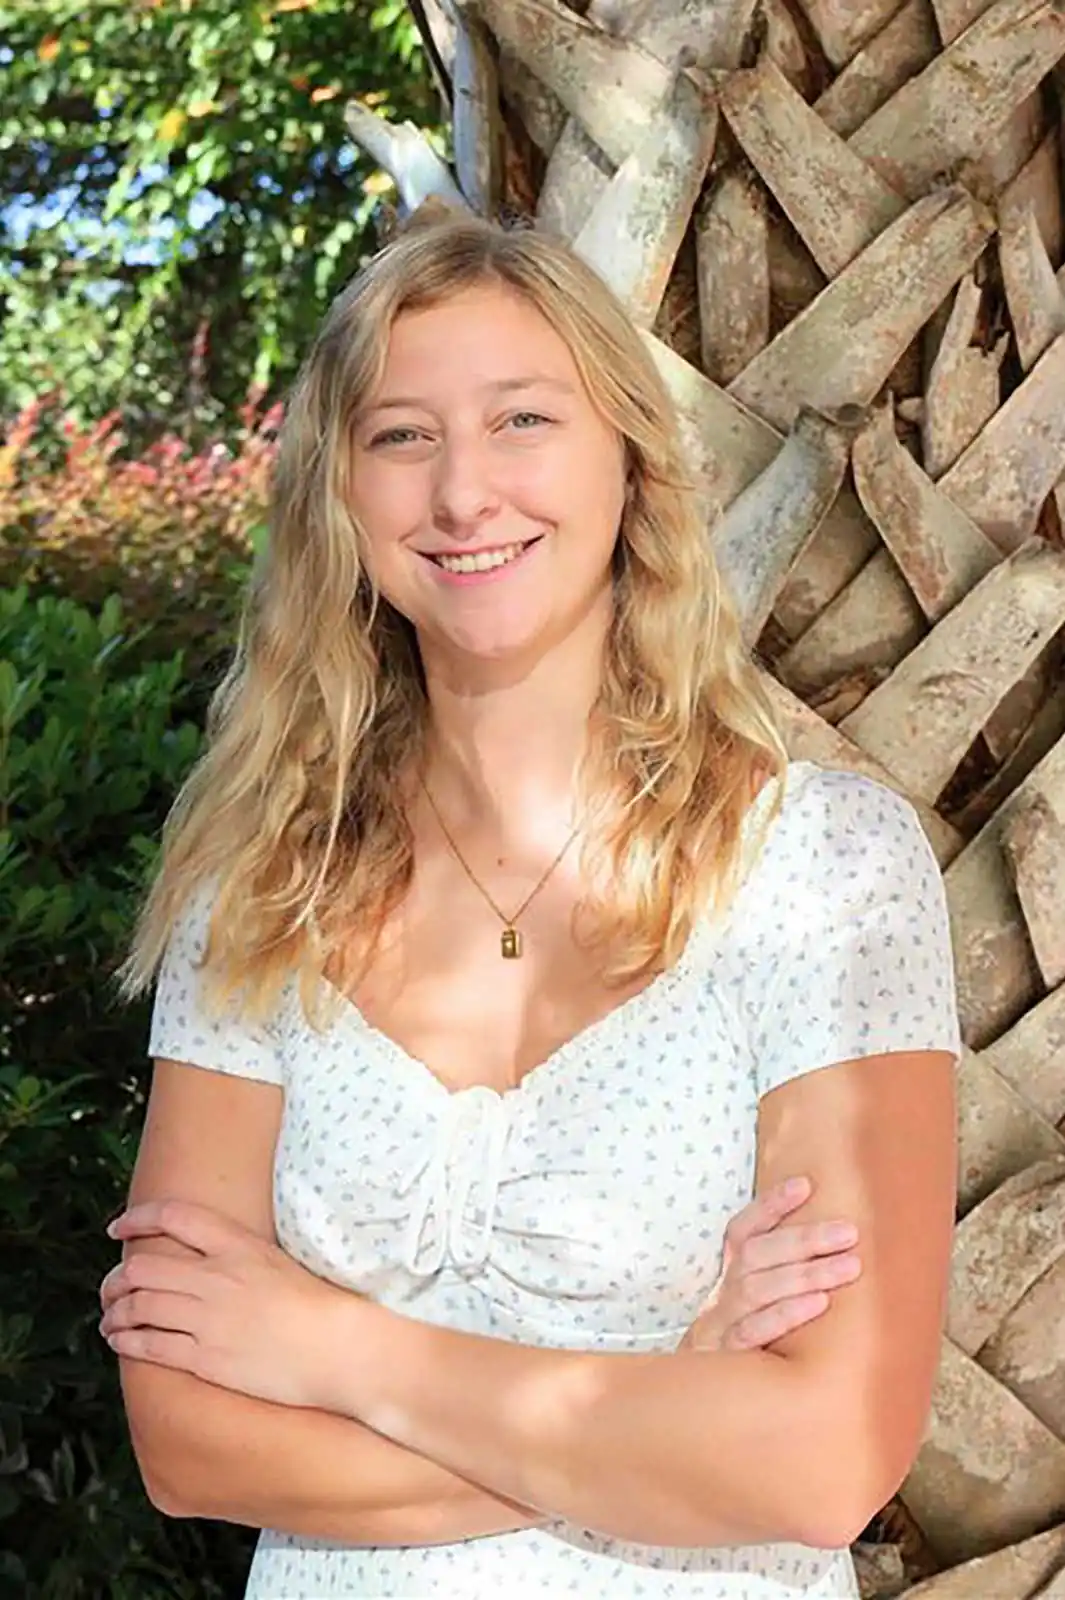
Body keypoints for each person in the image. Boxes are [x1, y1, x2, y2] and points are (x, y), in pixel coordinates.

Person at [102, 210, 961, 1599]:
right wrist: (674, 1399)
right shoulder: (258, 890)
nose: (462, 494)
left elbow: (823, 1461)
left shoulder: (821, 871)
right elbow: (188, 1446)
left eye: (522, 420)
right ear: (340, 498)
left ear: (629, 459)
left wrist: (334, 1353)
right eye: (401, 436)